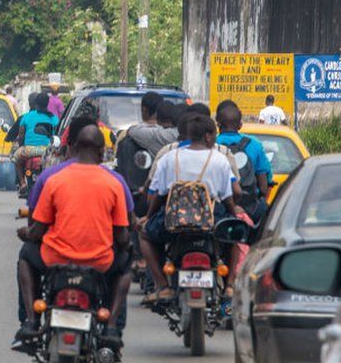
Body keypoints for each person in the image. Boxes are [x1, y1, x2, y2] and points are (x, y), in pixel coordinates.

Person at [15, 123, 130, 345]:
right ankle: (113, 326)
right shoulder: (114, 183)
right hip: (99, 262)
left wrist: (25, 233)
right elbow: (122, 235)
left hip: (55, 259)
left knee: (26, 257)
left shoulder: (53, 180)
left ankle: (30, 320)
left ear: (73, 148)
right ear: (102, 152)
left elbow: (38, 229)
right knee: (125, 265)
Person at [139, 114, 244, 303]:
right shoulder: (220, 159)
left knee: (145, 235)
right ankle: (229, 286)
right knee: (235, 236)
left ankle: (163, 286)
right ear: (209, 136)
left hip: (173, 221)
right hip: (212, 220)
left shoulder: (169, 158)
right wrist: (232, 212)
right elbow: (229, 197)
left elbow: (159, 195)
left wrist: (148, 217)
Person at [216, 100, 272, 224]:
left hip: (220, 209)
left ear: (218, 125)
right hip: (251, 208)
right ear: (240, 125)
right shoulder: (255, 145)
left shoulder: (212, 145)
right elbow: (263, 188)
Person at [9, 92, 59, 195]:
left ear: (36, 103)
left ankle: (22, 183)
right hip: (47, 152)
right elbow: (57, 135)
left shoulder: (27, 117)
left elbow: (21, 135)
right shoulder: (54, 118)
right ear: (47, 103)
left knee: (16, 159)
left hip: (29, 150)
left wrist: (21, 146)